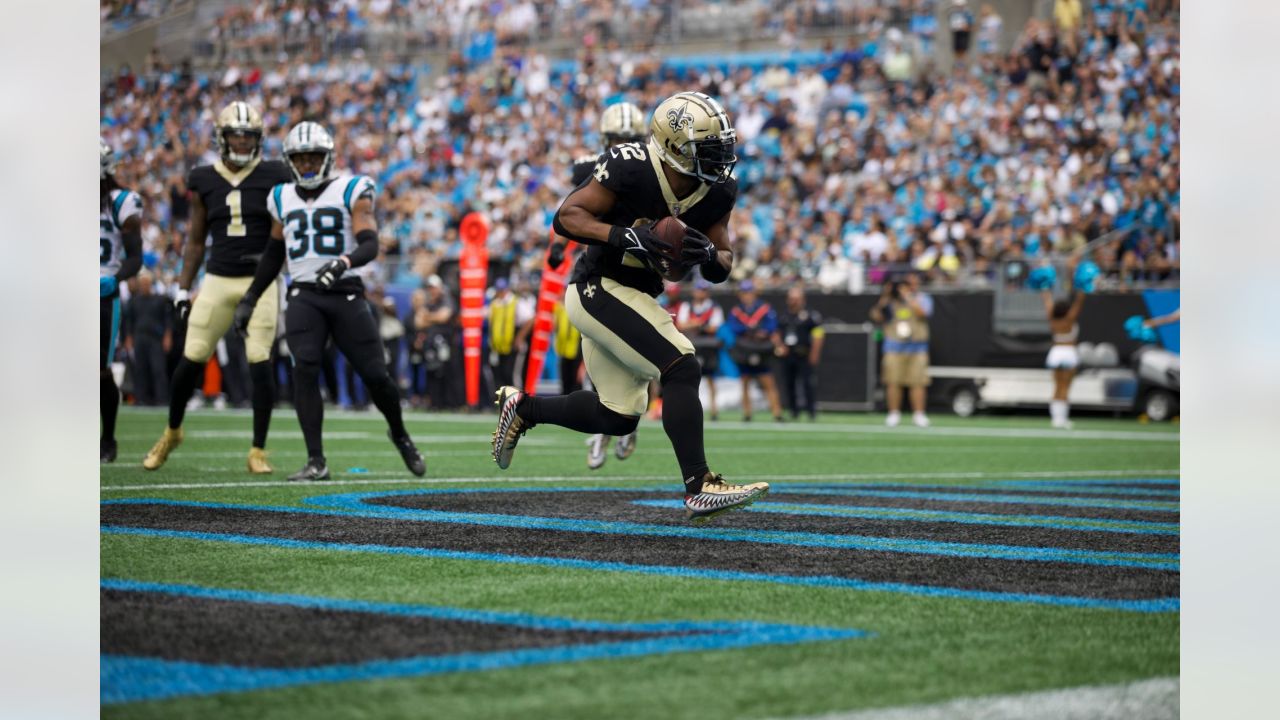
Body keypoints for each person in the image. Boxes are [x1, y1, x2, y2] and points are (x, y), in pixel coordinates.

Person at [491, 91, 769, 522]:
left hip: (633, 295)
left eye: (723, 148)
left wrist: (710, 257)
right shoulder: (630, 165)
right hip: (596, 286)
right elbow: (567, 216)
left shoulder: (717, 192)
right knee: (682, 365)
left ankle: (524, 408)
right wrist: (623, 235)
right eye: (708, 150)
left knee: (618, 416)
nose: (721, 160)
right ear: (674, 147)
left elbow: (724, 260)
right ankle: (699, 484)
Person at [233, 121, 426, 481]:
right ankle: (316, 460)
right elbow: (274, 254)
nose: (307, 165)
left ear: (327, 158)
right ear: (290, 161)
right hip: (304, 293)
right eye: (300, 159)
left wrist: (342, 263)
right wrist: (250, 297)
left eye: (313, 158)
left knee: (375, 375)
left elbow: (369, 242)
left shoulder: (351, 189)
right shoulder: (280, 197)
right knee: (303, 369)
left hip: (345, 291)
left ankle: (399, 433)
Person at [142, 102, 292, 474]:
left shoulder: (276, 173)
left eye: (248, 135)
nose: (241, 141)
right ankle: (172, 431)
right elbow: (195, 240)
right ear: (222, 138)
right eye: (235, 134)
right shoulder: (204, 178)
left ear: (258, 139)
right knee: (190, 358)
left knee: (259, 361)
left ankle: (258, 449)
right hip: (218, 277)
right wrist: (181, 288)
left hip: (261, 281)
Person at [557, 102, 648, 472]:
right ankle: (606, 426)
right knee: (597, 351)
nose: (623, 147)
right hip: (601, 267)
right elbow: (574, 213)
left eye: (629, 140)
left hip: (641, 269)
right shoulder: (590, 168)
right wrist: (556, 245)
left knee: (640, 351)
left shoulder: (653, 171)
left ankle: (627, 419)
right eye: (617, 140)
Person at [100, 139, 143, 462]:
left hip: (102, 292)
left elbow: (136, 258)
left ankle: (108, 438)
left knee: (99, 370)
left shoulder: (121, 202)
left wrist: (113, 279)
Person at [870, 272, 933, 427]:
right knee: (893, 381)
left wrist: (908, 297)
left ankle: (919, 414)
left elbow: (923, 313)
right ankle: (894, 413)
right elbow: (876, 316)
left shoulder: (923, 298)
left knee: (918, 382)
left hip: (917, 347)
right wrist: (885, 296)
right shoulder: (890, 302)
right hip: (894, 346)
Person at [727, 279, 784, 423]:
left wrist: (760, 332)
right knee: (745, 382)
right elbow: (733, 328)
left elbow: (772, 326)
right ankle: (747, 413)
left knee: (768, 381)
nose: (747, 295)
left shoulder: (764, 308)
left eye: (749, 292)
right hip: (745, 349)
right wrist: (752, 330)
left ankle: (777, 413)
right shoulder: (737, 311)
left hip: (761, 349)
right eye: (744, 293)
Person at [676, 278, 725, 421]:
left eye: (703, 290)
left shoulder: (714, 307)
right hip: (691, 345)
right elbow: (681, 325)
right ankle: (687, 410)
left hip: (708, 346)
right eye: (699, 290)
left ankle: (714, 411)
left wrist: (696, 324)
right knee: (689, 379)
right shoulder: (687, 305)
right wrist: (700, 325)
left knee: (711, 379)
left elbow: (715, 327)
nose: (701, 293)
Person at [122, 270, 172, 407]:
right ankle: (141, 398)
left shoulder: (159, 300)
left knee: (158, 369)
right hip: (139, 338)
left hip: (156, 339)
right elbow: (129, 322)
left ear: (151, 284)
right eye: (142, 283)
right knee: (140, 369)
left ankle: (161, 399)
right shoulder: (133, 301)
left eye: (146, 283)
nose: (144, 286)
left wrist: (167, 337)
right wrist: (128, 338)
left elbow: (167, 320)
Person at [776, 286, 825, 420]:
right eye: (791, 299)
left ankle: (811, 411)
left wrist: (815, 353)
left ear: (802, 300)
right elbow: (776, 333)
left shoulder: (811, 316)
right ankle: (793, 410)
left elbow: (818, 335)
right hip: (788, 354)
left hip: (804, 353)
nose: (793, 302)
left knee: (808, 383)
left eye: (796, 299)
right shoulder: (783, 315)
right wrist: (780, 346)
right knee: (789, 383)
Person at [1043, 288, 1086, 429]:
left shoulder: (1052, 318)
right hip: (1068, 353)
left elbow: (1047, 301)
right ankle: (1062, 419)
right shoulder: (1069, 319)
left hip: (1055, 353)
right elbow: (1079, 303)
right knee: (1065, 387)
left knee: (1057, 386)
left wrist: (1044, 288)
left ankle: (1056, 419)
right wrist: (1083, 288)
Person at [487, 277, 518, 389]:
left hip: (511, 346)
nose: (501, 292)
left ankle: (517, 401)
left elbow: (529, 320)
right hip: (497, 347)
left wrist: (519, 338)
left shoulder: (515, 302)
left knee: (510, 374)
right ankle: (503, 401)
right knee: (498, 374)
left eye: (502, 290)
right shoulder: (495, 304)